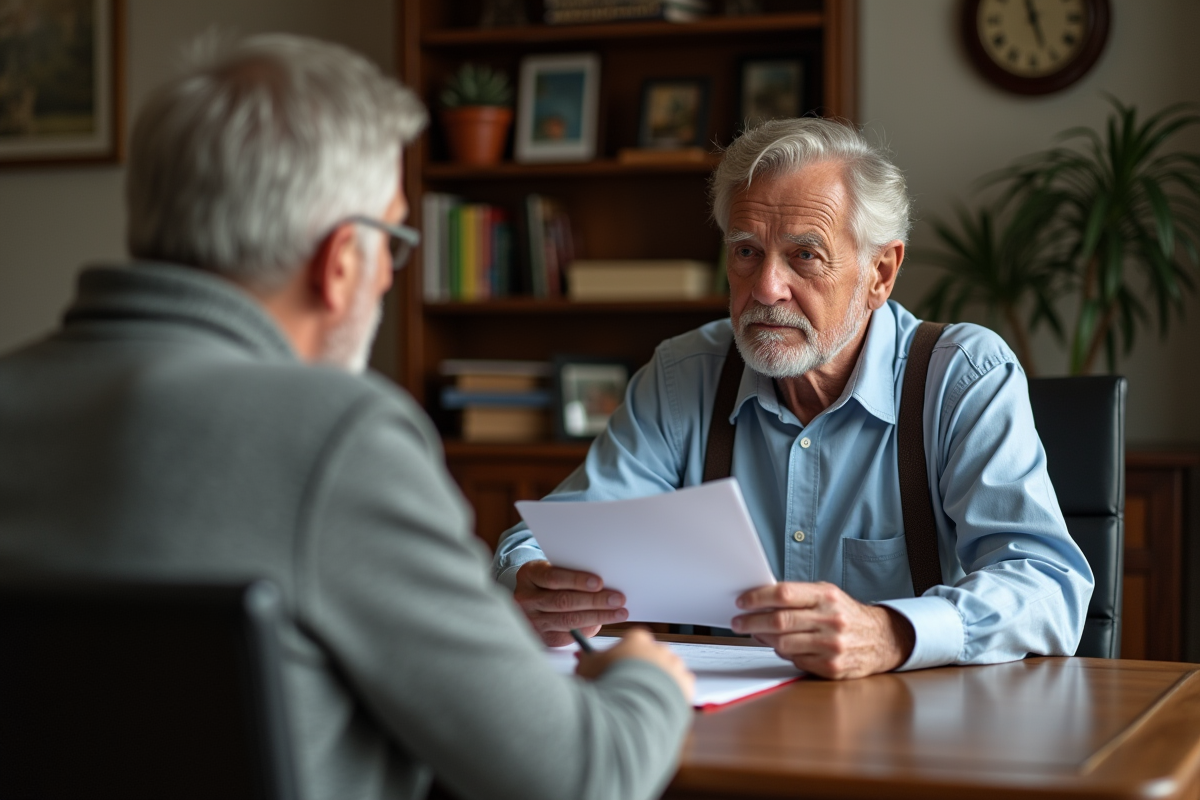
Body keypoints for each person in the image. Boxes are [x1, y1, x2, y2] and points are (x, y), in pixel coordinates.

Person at [0, 35, 695, 800]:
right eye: (393, 243)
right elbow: (581, 778)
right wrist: (641, 678)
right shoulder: (338, 439)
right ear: (339, 264)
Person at [494, 117, 1094, 680]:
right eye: (746, 251)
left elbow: (1046, 583)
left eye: (804, 255)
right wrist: (534, 581)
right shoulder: (684, 373)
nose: (766, 287)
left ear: (880, 272)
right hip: (725, 729)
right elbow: (560, 534)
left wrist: (892, 632)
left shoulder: (962, 375)